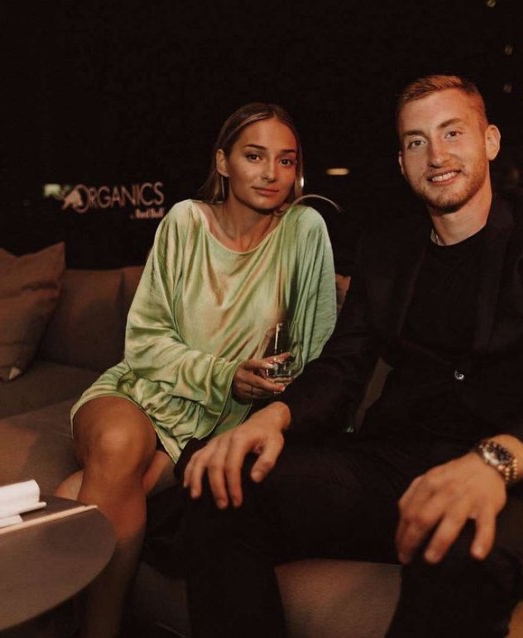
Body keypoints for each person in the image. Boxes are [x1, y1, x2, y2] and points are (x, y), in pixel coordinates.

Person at [178, 75, 523, 636]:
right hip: (393, 466)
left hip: (510, 477)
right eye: (415, 141)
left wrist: (490, 464)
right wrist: (271, 420)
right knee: (221, 485)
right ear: (402, 162)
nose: (436, 155)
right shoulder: (386, 247)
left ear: (491, 141)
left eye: (452, 132)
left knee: (455, 551)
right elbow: (343, 366)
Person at [55, 102, 338, 635]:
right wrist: (224, 373)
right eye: (254, 156)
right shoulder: (185, 220)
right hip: (143, 392)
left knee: (79, 495)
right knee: (115, 448)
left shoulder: (305, 230)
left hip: (219, 425)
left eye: (285, 160)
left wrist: (272, 391)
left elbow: (318, 353)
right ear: (224, 161)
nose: (271, 173)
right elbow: (143, 342)